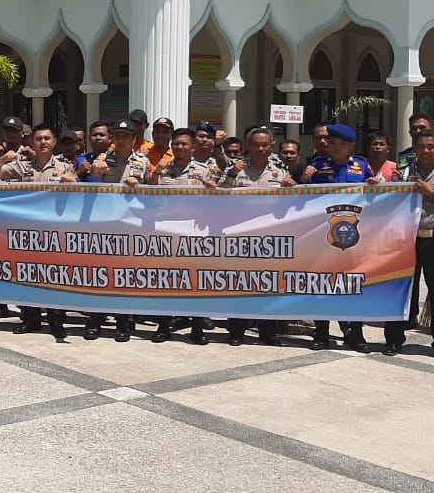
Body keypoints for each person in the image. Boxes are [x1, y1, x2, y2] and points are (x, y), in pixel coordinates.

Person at [0, 123, 76, 337]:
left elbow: (79, 192)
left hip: (56, 233)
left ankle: (57, 320)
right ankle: (30, 318)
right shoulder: (22, 166)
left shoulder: (65, 167)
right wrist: (2, 160)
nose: (43, 142)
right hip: (27, 233)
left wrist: (71, 181)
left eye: (47, 138)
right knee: (28, 275)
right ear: (31, 142)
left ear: (54, 142)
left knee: (55, 277)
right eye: (39, 139)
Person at [382, 130, 434, 359]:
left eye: (431, 147)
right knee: (400, 291)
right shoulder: (403, 172)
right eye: (422, 146)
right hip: (407, 241)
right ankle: (394, 340)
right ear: (415, 148)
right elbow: (389, 203)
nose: (426, 151)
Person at [302, 124, 380, 352]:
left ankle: (356, 334)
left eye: (342, 145)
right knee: (321, 285)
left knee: (354, 285)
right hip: (322, 237)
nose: (336, 149)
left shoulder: (362, 166)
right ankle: (322, 333)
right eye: (333, 144)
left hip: (353, 239)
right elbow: (301, 199)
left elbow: (376, 200)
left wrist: (375, 186)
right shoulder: (316, 166)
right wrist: (304, 181)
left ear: (351, 146)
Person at [218, 127, 296, 346]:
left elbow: (292, 203)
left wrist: (293, 188)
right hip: (241, 236)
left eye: (264, 145)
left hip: (271, 237)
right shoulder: (236, 168)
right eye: (255, 145)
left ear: (271, 146)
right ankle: (236, 331)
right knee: (239, 285)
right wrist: (231, 175)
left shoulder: (280, 169)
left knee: (268, 285)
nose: (260, 149)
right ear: (247, 147)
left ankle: (268, 332)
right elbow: (219, 197)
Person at [83, 118, 151, 342]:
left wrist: (140, 185)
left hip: (130, 227)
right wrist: (96, 168)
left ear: (134, 139)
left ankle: (123, 323)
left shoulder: (142, 160)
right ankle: (95, 320)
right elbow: (94, 173)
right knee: (100, 274)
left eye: (126, 136)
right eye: (117, 136)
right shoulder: (104, 158)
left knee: (125, 276)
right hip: (104, 224)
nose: (121, 140)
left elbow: (153, 190)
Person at [149, 126, 217, 344]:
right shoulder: (164, 169)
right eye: (176, 143)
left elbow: (221, 198)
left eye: (184, 144)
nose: (179, 147)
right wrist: (157, 172)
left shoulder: (206, 170)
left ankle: (197, 328)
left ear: (193, 147)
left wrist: (213, 190)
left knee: (197, 283)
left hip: (196, 234)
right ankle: (163, 326)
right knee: (166, 282)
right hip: (168, 233)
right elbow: (149, 195)